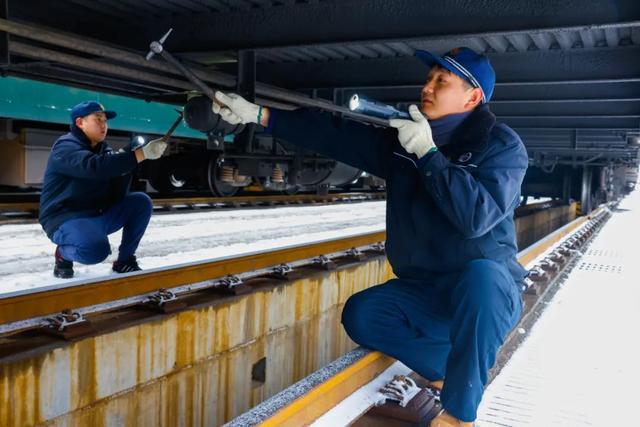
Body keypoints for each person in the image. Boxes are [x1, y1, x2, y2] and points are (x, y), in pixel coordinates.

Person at [213, 47, 528, 427]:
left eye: (441, 81)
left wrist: (429, 155)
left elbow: (476, 217)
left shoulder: (501, 147)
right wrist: (260, 115)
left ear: (472, 97)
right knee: (362, 315)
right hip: (429, 292)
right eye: (428, 78)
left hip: (486, 295)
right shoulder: (404, 141)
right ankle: (454, 368)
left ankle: (460, 414)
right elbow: (336, 136)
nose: (426, 87)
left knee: (482, 277)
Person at [39, 101, 167, 278]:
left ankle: (125, 261)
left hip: (95, 215)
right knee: (95, 251)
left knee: (140, 202)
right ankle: (63, 254)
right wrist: (139, 155)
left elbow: (115, 188)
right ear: (79, 123)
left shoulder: (103, 150)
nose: (103, 125)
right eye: (97, 119)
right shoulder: (65, 146)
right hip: (65, 218)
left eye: (105, 121)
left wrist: (125, 165)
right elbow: (93, 167)